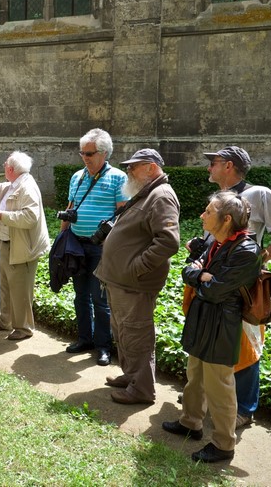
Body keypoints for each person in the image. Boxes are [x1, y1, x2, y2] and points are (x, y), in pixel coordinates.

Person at [202, 146, 271, 429]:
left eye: (213, 162)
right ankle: (213, 398)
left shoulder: (259, 194)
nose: (209, 167)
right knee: (213, 338)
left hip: (242, 285)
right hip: (213, 282)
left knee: (245, 344)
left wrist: (263, 256)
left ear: (229, 166)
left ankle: (244, 409)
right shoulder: (220, 199)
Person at [163, 191, 261, 463]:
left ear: (226, 219)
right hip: (203, 318)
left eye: (208, 211)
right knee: (195, 375)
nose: (202, 215)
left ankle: (223, 444)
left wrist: (202, 279)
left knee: (220, 386)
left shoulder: (246, 251)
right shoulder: (217, 242)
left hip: (222, 325)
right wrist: (201, 276)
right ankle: (190, 422)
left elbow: (215, 291)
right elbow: (188, 270)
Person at [95, 148, 180, 404]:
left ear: (151, 168)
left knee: (136, 334)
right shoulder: (147, 192)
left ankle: (142, 389)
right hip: (123, 281)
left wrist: (136, 267)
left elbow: (168, 241)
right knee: (124, 331)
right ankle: (131, 376)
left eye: (134, 166)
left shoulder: (161, 195)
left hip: (134, 283)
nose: (129, 170)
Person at [60, 129, 128, 367]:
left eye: (89, 153)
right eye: (82, 153)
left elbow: (122, 214)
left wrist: (111, 241)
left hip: (101, 248)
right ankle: (84, 339)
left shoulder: (118, 177)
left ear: (104, 153)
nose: (85, 157)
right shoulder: (77, 177)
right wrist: (61, 237)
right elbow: (70, 207)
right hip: (76, 245)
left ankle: (103, 346)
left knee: (100, 300)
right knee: (80, 296)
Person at [0, 151, 50, 341]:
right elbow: (3, 187)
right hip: (7, 243)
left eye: (5, 165)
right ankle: (5, 320)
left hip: (22, 246)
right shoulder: (15, 182)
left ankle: (24, 328)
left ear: (10, 169)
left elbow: (30, 218)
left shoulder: (27, 187)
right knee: (6, 286)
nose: (3, 167)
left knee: (20, 290)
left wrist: (1, 215)